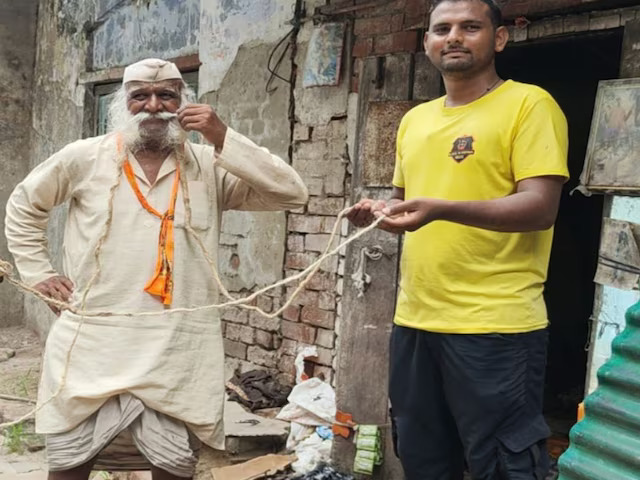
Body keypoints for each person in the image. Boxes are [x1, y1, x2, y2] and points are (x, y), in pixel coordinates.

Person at [5, 58, 308, 480]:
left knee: (174, 467)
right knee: (68, 465)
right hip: (94, 340)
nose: (154, 106)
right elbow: (24, 206)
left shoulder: (208, 164)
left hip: (176, 347)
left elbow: (292, 194)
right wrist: (38, 272)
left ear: (184, 103)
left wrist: (222, 136)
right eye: (140, 97)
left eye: (167, 95)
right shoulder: (84, 157)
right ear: (122, 105)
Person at [346, 1, 569, 479]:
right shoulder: (415, 121)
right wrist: (380, 214)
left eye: (470, 27)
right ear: (426, 42)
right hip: (416, 319)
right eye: (442, 29)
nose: (454, 37)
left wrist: (442, 209)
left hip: (495, 324)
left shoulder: (529, 105)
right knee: (425, 459)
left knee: (503, 465)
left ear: (499, 39)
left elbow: (540, 207)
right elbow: (406, 204)